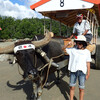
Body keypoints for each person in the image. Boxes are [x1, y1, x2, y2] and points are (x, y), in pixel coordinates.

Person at [62, 35, 92, 100]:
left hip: (82, 72)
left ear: (83, 44)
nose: (78, 44)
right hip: (73, 71)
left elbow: (88, 63)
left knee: (81, 88)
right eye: (77, 42)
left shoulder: (87, 52)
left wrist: (88, 74)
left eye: (80, 43)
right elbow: (63, 49)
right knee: (72, 87)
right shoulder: (72, 50)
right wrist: (67, 44)